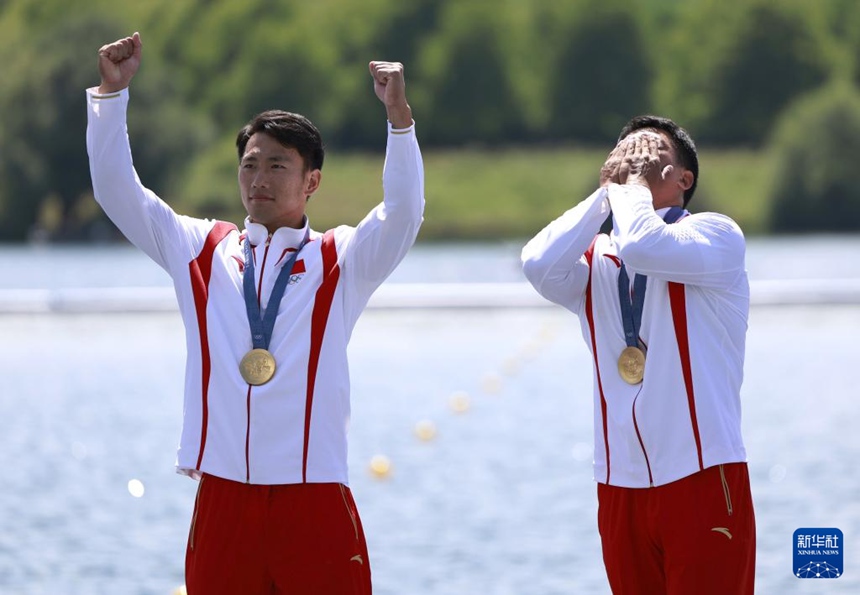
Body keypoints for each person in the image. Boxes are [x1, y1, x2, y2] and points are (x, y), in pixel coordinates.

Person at [87, 32, 424, 594]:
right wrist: (111, 96)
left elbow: (404, 213)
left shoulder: (341, 258)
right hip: (223, 497)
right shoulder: (197, 248)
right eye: (249, 165)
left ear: (311, 180)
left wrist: (399, 121)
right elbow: (117, 191)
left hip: (313, 495)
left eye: (277, 166)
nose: (259, 179)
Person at [521, 116, 756, 594]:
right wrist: (605, 192)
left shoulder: (716, 236)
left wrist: (629, 188)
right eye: (626, 154)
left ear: (683, 179)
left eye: (651, 157)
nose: (636, 163)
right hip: (619, 485)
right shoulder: (598, 259)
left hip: (703, 476)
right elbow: (538, 264)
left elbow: (647, 246)